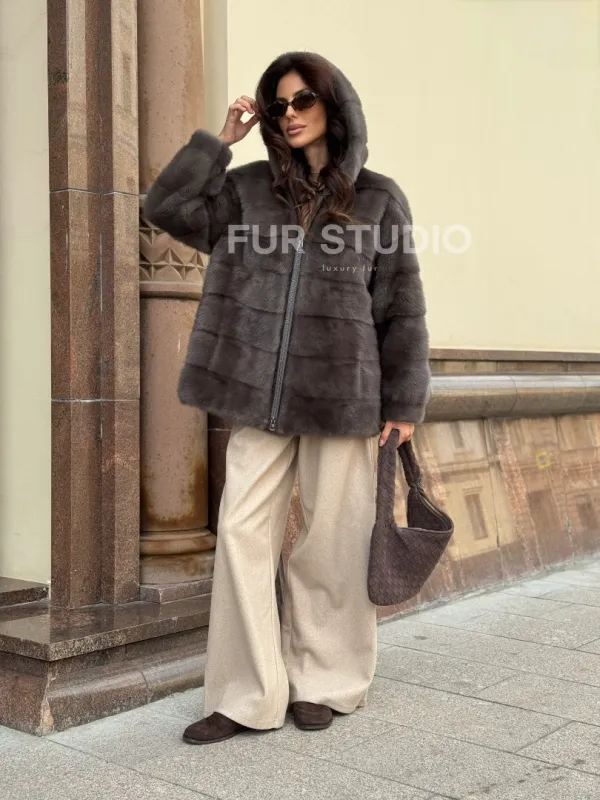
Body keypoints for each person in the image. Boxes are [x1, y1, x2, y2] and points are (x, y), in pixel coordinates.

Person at [144, 51, 431, 745]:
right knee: (242, 533)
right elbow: (168, 210)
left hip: (343, 395)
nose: (291, 114)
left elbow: (400, 306)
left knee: (331, 543)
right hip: (258, 396)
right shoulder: (245, 190)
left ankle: (325, 680)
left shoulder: (379, 199)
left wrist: (404, 403)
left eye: (304, 100)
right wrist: (220, 141)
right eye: (279, 105)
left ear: (334, 105)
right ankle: (246, 694)